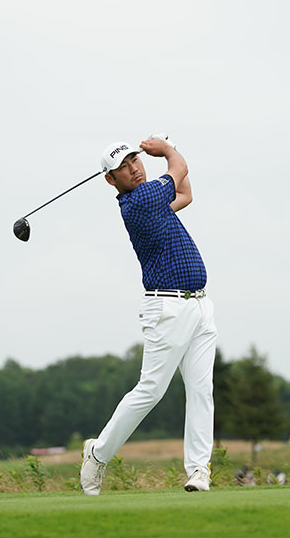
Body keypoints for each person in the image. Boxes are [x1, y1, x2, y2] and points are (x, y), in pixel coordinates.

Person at [80, 135, 217, 494]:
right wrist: (168, 151)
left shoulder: (154, 200)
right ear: (111, 180)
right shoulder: (139, 201)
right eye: (123, 168)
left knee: (201, 389)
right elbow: (180, 169)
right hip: (167, 308)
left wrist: (169, 156)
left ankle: (198, 470)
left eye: (135, 160)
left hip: (200, 306)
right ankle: (98, 453)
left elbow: (185, 193)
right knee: (151, 389)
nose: (134, 169)